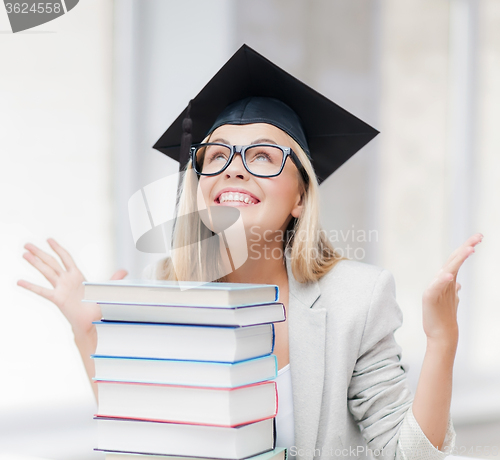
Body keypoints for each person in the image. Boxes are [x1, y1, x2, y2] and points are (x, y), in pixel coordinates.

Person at [18, 45, 483, 460]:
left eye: (262, 156)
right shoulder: (167, 291)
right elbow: (151, 440)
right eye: (216, 156)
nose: (233, 171)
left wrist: (443, 342)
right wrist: (87, 333)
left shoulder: (356, 300)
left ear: (300, 196)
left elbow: (406, 454)